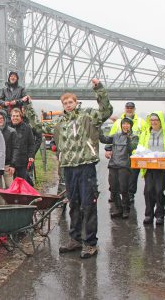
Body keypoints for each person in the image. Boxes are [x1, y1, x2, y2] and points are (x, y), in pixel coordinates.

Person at [51, 78, 113, 259]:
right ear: (62, 105)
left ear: (76, 102)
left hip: (85, 167)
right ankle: (75, 239)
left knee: (88, 205)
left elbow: (106, 110)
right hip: (69, 168)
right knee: (74, 205)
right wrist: (28, 109)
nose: (68, 105)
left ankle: (91, 243)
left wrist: (98, 88)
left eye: (70, 102)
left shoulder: (87, 115)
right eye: (65, 103)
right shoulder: (60, 122)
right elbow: (39, 126)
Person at [135, 111, 165, 226]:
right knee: (148, 191)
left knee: (159, 191)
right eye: (151, 120)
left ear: (160, 121)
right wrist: (135, 153)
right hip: (149, 167)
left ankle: (160, 215)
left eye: (156, 120)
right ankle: (148, 215)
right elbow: (139, 148)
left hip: (163, 166)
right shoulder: (145, 134)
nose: (153, 122)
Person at [99, 118, 139, 219]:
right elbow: (104, 139)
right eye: (124, 124)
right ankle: (118, 208)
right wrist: (98, 128)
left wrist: (129, 137)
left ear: (131, 126)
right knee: (113, 188)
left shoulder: (134, 137)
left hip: (124, 166)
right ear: (121, 125)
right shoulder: (116, 135)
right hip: (113, 165)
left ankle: (126, 209)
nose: (125, 126)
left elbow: (131, 148)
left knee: (124, 189)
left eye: (128, 124)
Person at [109, 102, 148, 203]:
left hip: (135, 154)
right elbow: (111, 137)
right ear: (125, 109)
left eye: (131, 108)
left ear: (134, 109)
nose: (129, 109)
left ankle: (130, 195)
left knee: (133, 176)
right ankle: (115, 195)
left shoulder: (141, 122)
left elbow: (146, 136)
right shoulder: (118, 122)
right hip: (119, 154)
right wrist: (108, 150)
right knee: (117, 176)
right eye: (127, 108)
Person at [9, 108, 35, 187]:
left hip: (22, 159)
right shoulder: (8, 127)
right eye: (13, 116)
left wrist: (31, 156)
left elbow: (31, 144)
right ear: (11, 117)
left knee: (23, 181)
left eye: (17, 116)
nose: (15, 118)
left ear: (21, 117)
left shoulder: (27, 128)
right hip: (10, 160)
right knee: (11, 183)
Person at [0, 110, 18, 189]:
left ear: (5, 119)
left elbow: (16, 149)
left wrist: (13, 165)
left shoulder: (12, 131)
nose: (0, 120)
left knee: (9, 187)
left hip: (7, 164)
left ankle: (10, 202)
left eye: (1, 118)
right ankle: (0, 202)